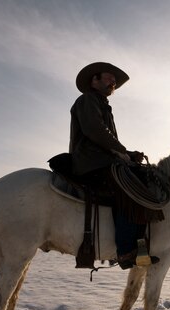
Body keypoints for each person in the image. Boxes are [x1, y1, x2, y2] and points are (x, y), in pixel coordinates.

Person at [69, 62, 153, 269]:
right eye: (108, 77)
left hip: (103, 158)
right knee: (129, 188)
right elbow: (95, 130)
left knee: (142, 180)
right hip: (90, 160)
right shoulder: (87, 100)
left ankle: (139, 243)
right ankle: (125, 251)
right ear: (94, 80)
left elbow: (108, 141)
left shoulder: (102, 104)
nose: (113, 82)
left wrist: (129, 154)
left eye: (114, 80)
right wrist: (121, 152)